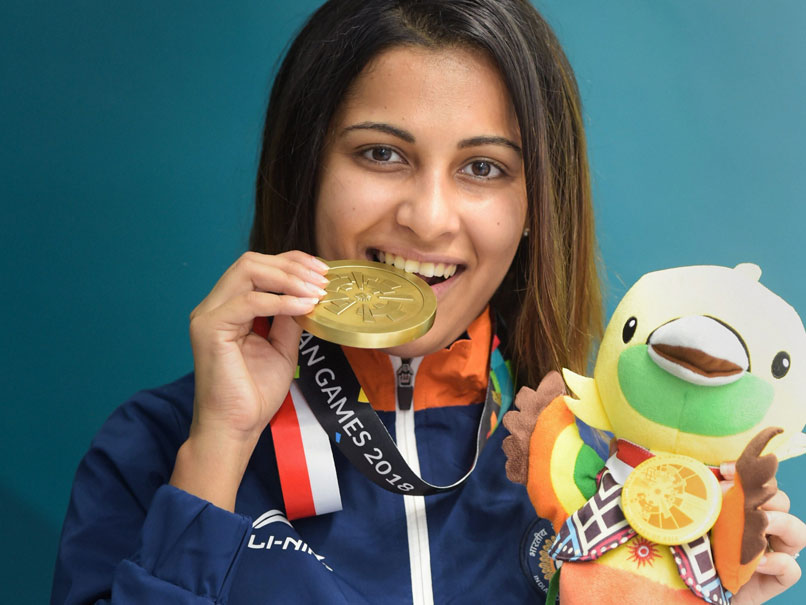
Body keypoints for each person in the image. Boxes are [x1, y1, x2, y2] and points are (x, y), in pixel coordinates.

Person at [51, 1, 805, 603]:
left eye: (482, 167)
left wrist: (688, 595)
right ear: (306, 166)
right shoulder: (153, 448)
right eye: (381, 153)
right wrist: (217, 453)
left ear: (535, 202)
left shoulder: (596, 469)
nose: (429, 217)